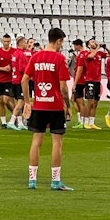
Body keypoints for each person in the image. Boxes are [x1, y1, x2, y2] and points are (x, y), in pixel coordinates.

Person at [21, 27, 74, 191]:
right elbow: (64, 87)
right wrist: (68, 105)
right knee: (57, 143)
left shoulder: (36, 57)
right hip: (55, 105)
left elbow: (24, 81)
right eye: (61, 43)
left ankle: (32, 180)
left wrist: (28, 102)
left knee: (36, 142)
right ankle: (55, 181)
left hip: (39, 104)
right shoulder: (59, 58)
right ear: (58, 41)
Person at [79, 39, 110, 130]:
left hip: (97, 81)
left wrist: (106, 48)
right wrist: (97, 48)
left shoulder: (99, 54)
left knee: (95, 103)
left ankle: (92, 122)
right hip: (90, 81)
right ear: (88, 45)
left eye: (95, 41)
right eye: (92, 42)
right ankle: (85, 122)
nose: (95, 42)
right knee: (90, 102)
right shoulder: (86, 53)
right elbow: (91, 56)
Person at [0, 34, 17, 128]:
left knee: (7, 100)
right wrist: (3, 68)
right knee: (1, 101)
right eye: (5, 41)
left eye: (8, 41)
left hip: (10, 80)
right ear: (2, 41)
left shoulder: (14, 52)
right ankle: (3, 122)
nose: (6, 43)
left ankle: (15, 116)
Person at [70, 39, 87, 128]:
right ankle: (81, 121)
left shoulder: (81, 55)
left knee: (80, 101)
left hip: (80, 81)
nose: (74, 47)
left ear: (78, 45)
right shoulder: (84, 54)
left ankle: (82, 122)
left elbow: (79, 70)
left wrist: (75, 83)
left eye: (75, 46)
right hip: (82, 80)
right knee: (74, 99)